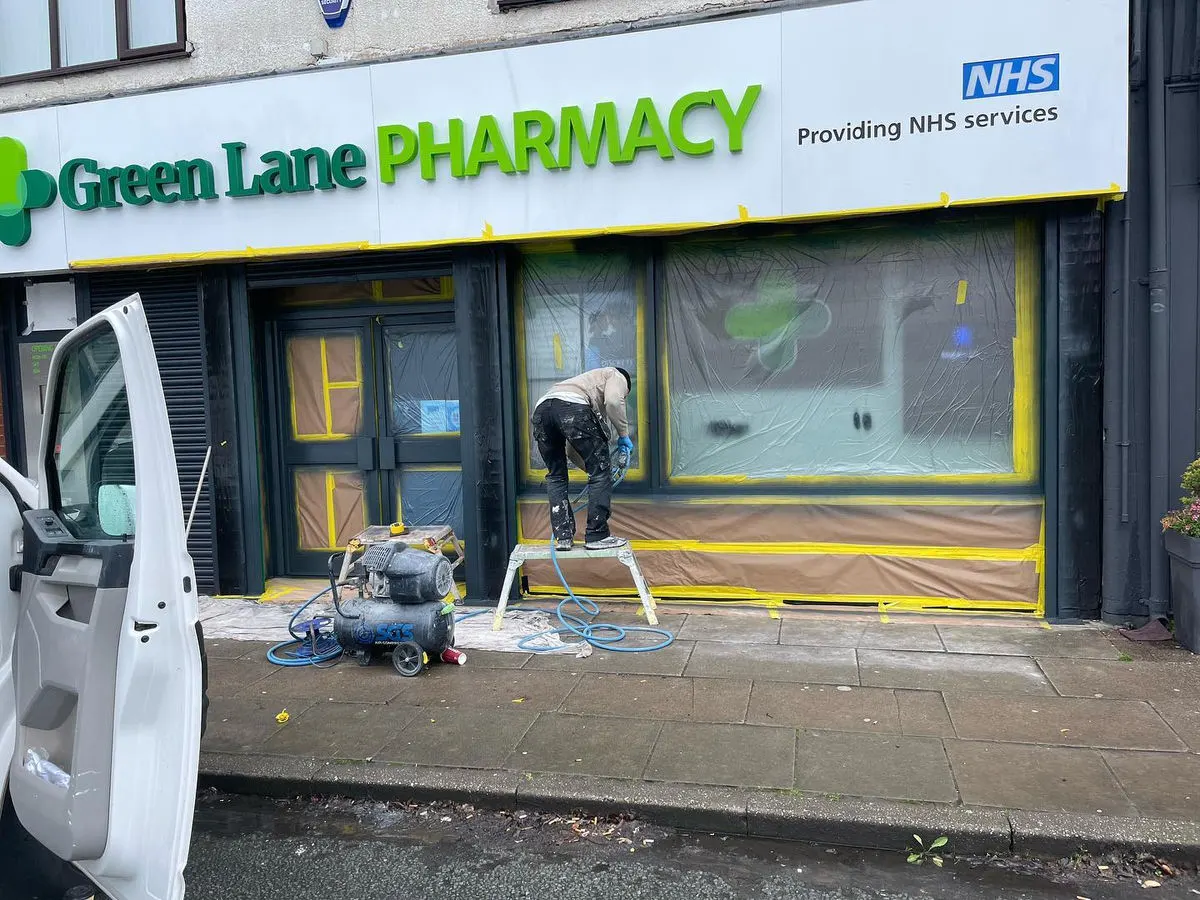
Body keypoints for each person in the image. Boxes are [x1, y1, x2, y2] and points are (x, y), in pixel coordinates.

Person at [531, 366, 635, 551]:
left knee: (556, 475)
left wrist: (594, 472)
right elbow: (613, 401)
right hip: (572, 408)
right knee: (600, 471)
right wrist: (623, 435)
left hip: (542, 410)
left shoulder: (581, 385)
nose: (623, 397)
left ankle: (563, 537)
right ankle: (597, 535)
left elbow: (572, 451)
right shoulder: (614, 374)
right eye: (625, 395)